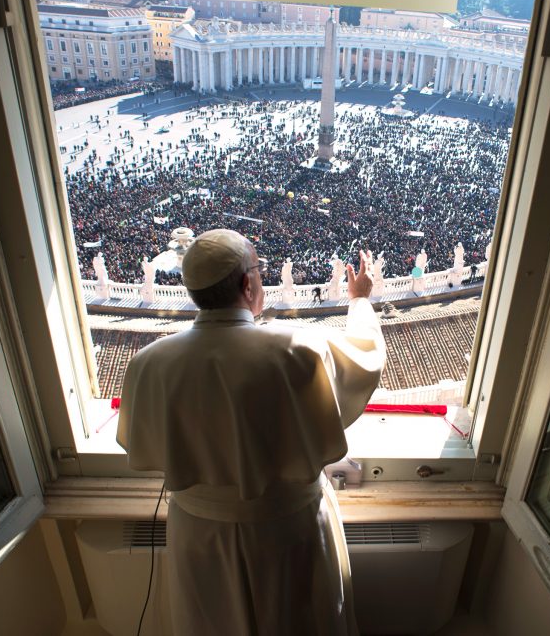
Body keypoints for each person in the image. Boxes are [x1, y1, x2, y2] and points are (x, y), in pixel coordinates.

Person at [116, 228, 385, 635]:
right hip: (289, 531)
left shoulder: (147, 365)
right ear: (248, 283)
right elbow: (365, 357)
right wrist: (360, 300)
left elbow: (138, 442)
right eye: (259, 270)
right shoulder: (300, 349)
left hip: (199, 535)